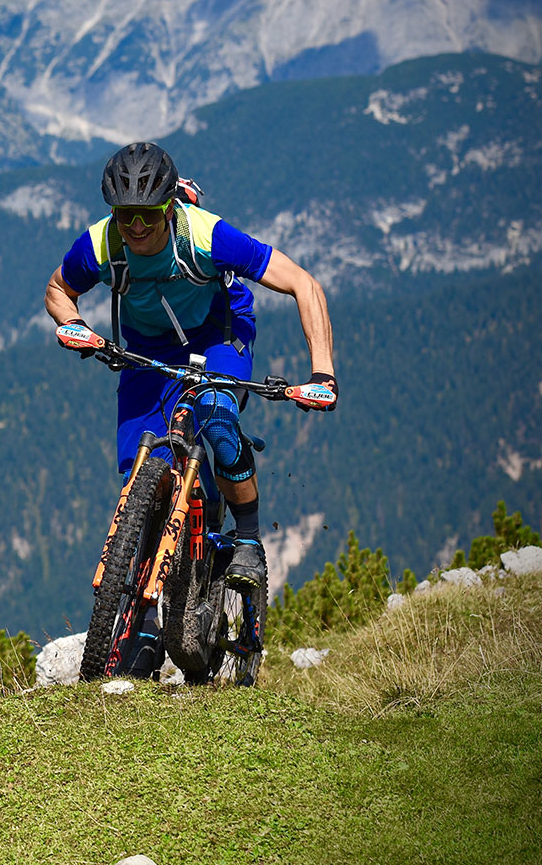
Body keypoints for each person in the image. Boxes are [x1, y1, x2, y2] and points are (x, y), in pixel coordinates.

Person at [43, 141, 338, 587]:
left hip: (217, 331)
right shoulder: (100, 243)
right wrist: (75, 324)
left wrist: (322, 373)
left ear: (169, 207)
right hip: (147, 345)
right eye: (126, 215)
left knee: (217, 420)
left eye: (148, 213)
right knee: (140, 474)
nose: (136, 226)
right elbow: (58, 290)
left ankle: (249, 542)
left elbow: (303, 282)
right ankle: (141, 628)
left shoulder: (206, 235)